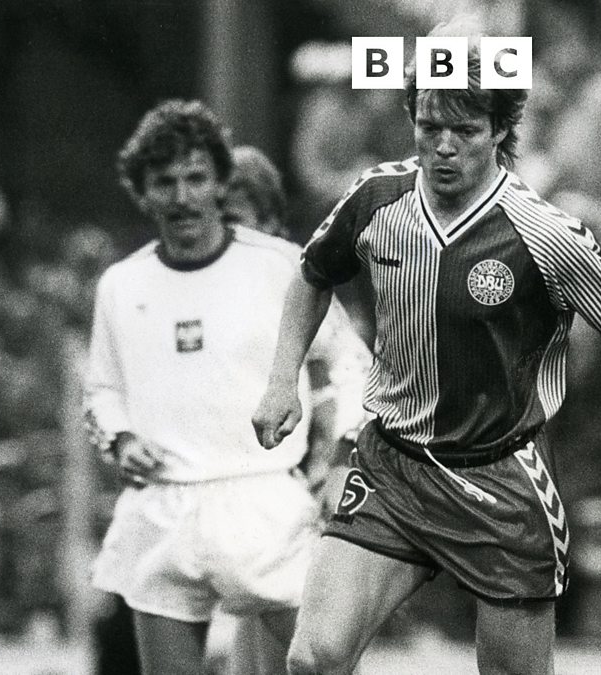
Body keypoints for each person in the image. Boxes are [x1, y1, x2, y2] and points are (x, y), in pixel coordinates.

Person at [252, 27, 601, 675]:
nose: (444, 146)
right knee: (314, 658)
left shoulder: (546, 234)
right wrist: (280, 379)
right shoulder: (376, 198)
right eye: (429, 127)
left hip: (500, 480)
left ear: (501, 130)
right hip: (392, 466)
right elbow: (313, 275)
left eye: (465, 130)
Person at [83, 99, 367, 675]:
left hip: (265, 504)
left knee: (321, 666)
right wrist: (121, 439)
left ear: (219, 183)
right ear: (142, 192)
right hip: (164, 507)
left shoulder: (281, 266)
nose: (182, 197)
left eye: (195, 178)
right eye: (164, 182)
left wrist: (341, 459)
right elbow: (103, 390)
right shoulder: (121, 284)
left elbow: (354, 366)